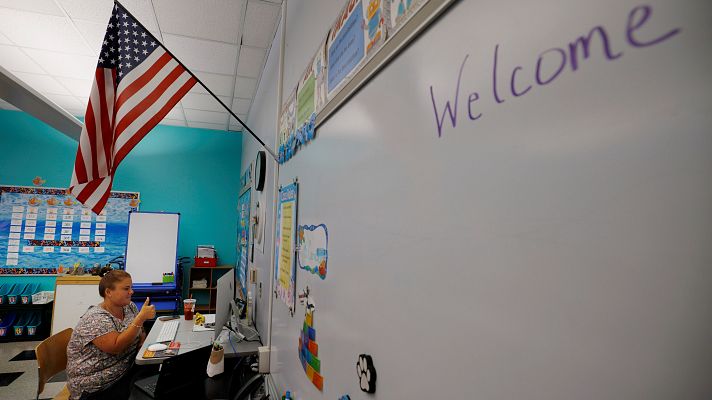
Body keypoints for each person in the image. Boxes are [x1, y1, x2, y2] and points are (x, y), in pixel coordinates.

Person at [66, 269, 156, 399]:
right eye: (126, 288)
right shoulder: (95, 319)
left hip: (126, 370)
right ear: (108, 292)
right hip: (96, 388)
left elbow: (140, 331)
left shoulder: (129, 306)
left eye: (131, 287)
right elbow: (116, 347)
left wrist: (143, 347)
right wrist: (140, 318)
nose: (131, 292)